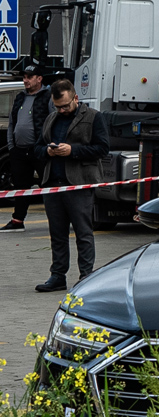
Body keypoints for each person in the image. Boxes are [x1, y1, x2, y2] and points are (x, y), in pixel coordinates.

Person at [33, 79, 109, 292]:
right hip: (53, 185)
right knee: (57, 234)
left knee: (83, 233)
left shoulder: (94, 117)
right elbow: (37, 148)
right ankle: (58, 276)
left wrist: (72, 151)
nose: (63, 110)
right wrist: (47, 151)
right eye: (58, 106)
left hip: (79, 185)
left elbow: (102, 148)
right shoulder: (51, 118)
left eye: (66, 105)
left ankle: (86, 276)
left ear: (76, 98)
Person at [0, 64, 53, 232]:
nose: (26, 80)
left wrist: (48, 145)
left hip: (39, 149)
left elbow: (54, 121)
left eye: (29, 77)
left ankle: (56, 221)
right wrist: (11, 145)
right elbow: (11, 123)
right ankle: (17, 220)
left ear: (39, 78)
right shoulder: (20, 97)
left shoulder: (48, 97)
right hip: (19, 150)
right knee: (20, 187)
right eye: (24, 77)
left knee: (48, 185)